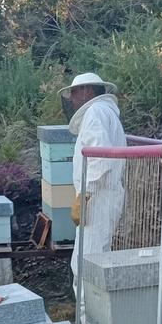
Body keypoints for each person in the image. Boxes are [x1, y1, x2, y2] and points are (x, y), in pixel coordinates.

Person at [61, 73, 126, 278]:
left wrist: (85, 194)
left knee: (87, 264)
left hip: (98, 199)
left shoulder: (95, 112)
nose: (71, 98)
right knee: (93, 259)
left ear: (87, 91)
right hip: (102, 196)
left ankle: (87, 301)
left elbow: (100, 157)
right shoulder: (103, 112)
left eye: (73, 92)